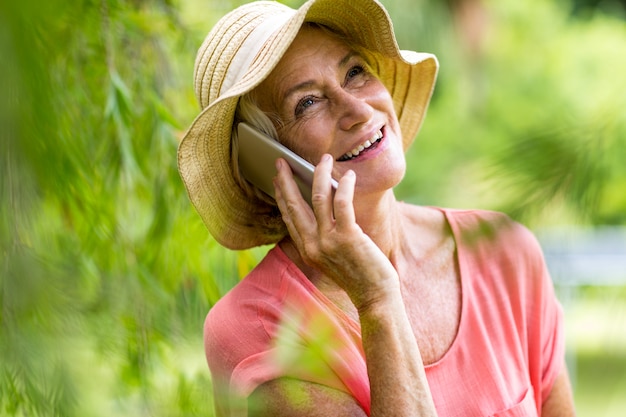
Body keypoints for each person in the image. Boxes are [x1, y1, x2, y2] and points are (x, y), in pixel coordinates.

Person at [177, 0, 577, 416]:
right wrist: (378, 300)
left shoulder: (503, 251)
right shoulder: (257, 327)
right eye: (308, 103)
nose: (358, 110)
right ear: (268, 162)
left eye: (354, 72)